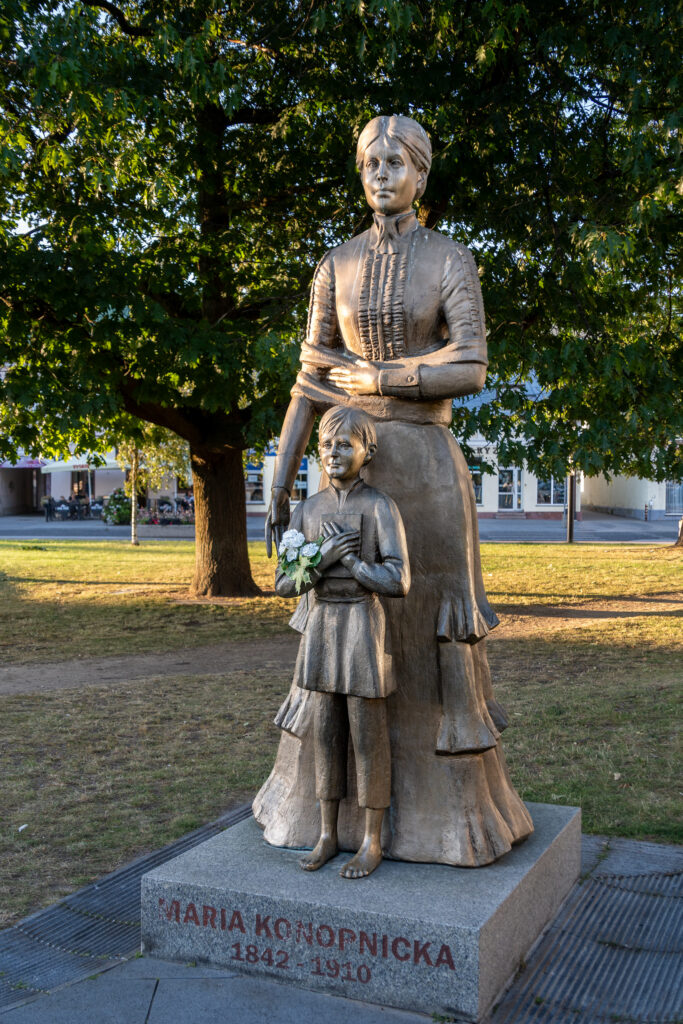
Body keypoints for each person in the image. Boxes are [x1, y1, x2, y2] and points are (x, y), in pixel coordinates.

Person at [255, 115, 533, 867]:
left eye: (394, 163)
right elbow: (310, 380)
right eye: (368, 162)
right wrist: (278, 482)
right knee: (334, 629)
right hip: (342, 466)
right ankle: (319, 812)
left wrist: (384, 377)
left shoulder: (450, 259)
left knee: (429, 630)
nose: (379, 174)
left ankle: (449, 818)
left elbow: (470, 364)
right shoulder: (333, 265)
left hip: (425, 467)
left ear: (420, 174)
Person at [275, 405, 410, 878]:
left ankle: (372, 838)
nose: (334, 453)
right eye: (327, 444)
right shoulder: (307, 510)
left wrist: (354, 567)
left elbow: (399, 579)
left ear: (366, 451)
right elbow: (283, 583)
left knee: (367, 734)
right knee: (325, 732)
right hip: (321, 628)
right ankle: (328, 832)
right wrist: (321, 558)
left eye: (345, 444)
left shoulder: (379, 506)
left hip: (361, 628)